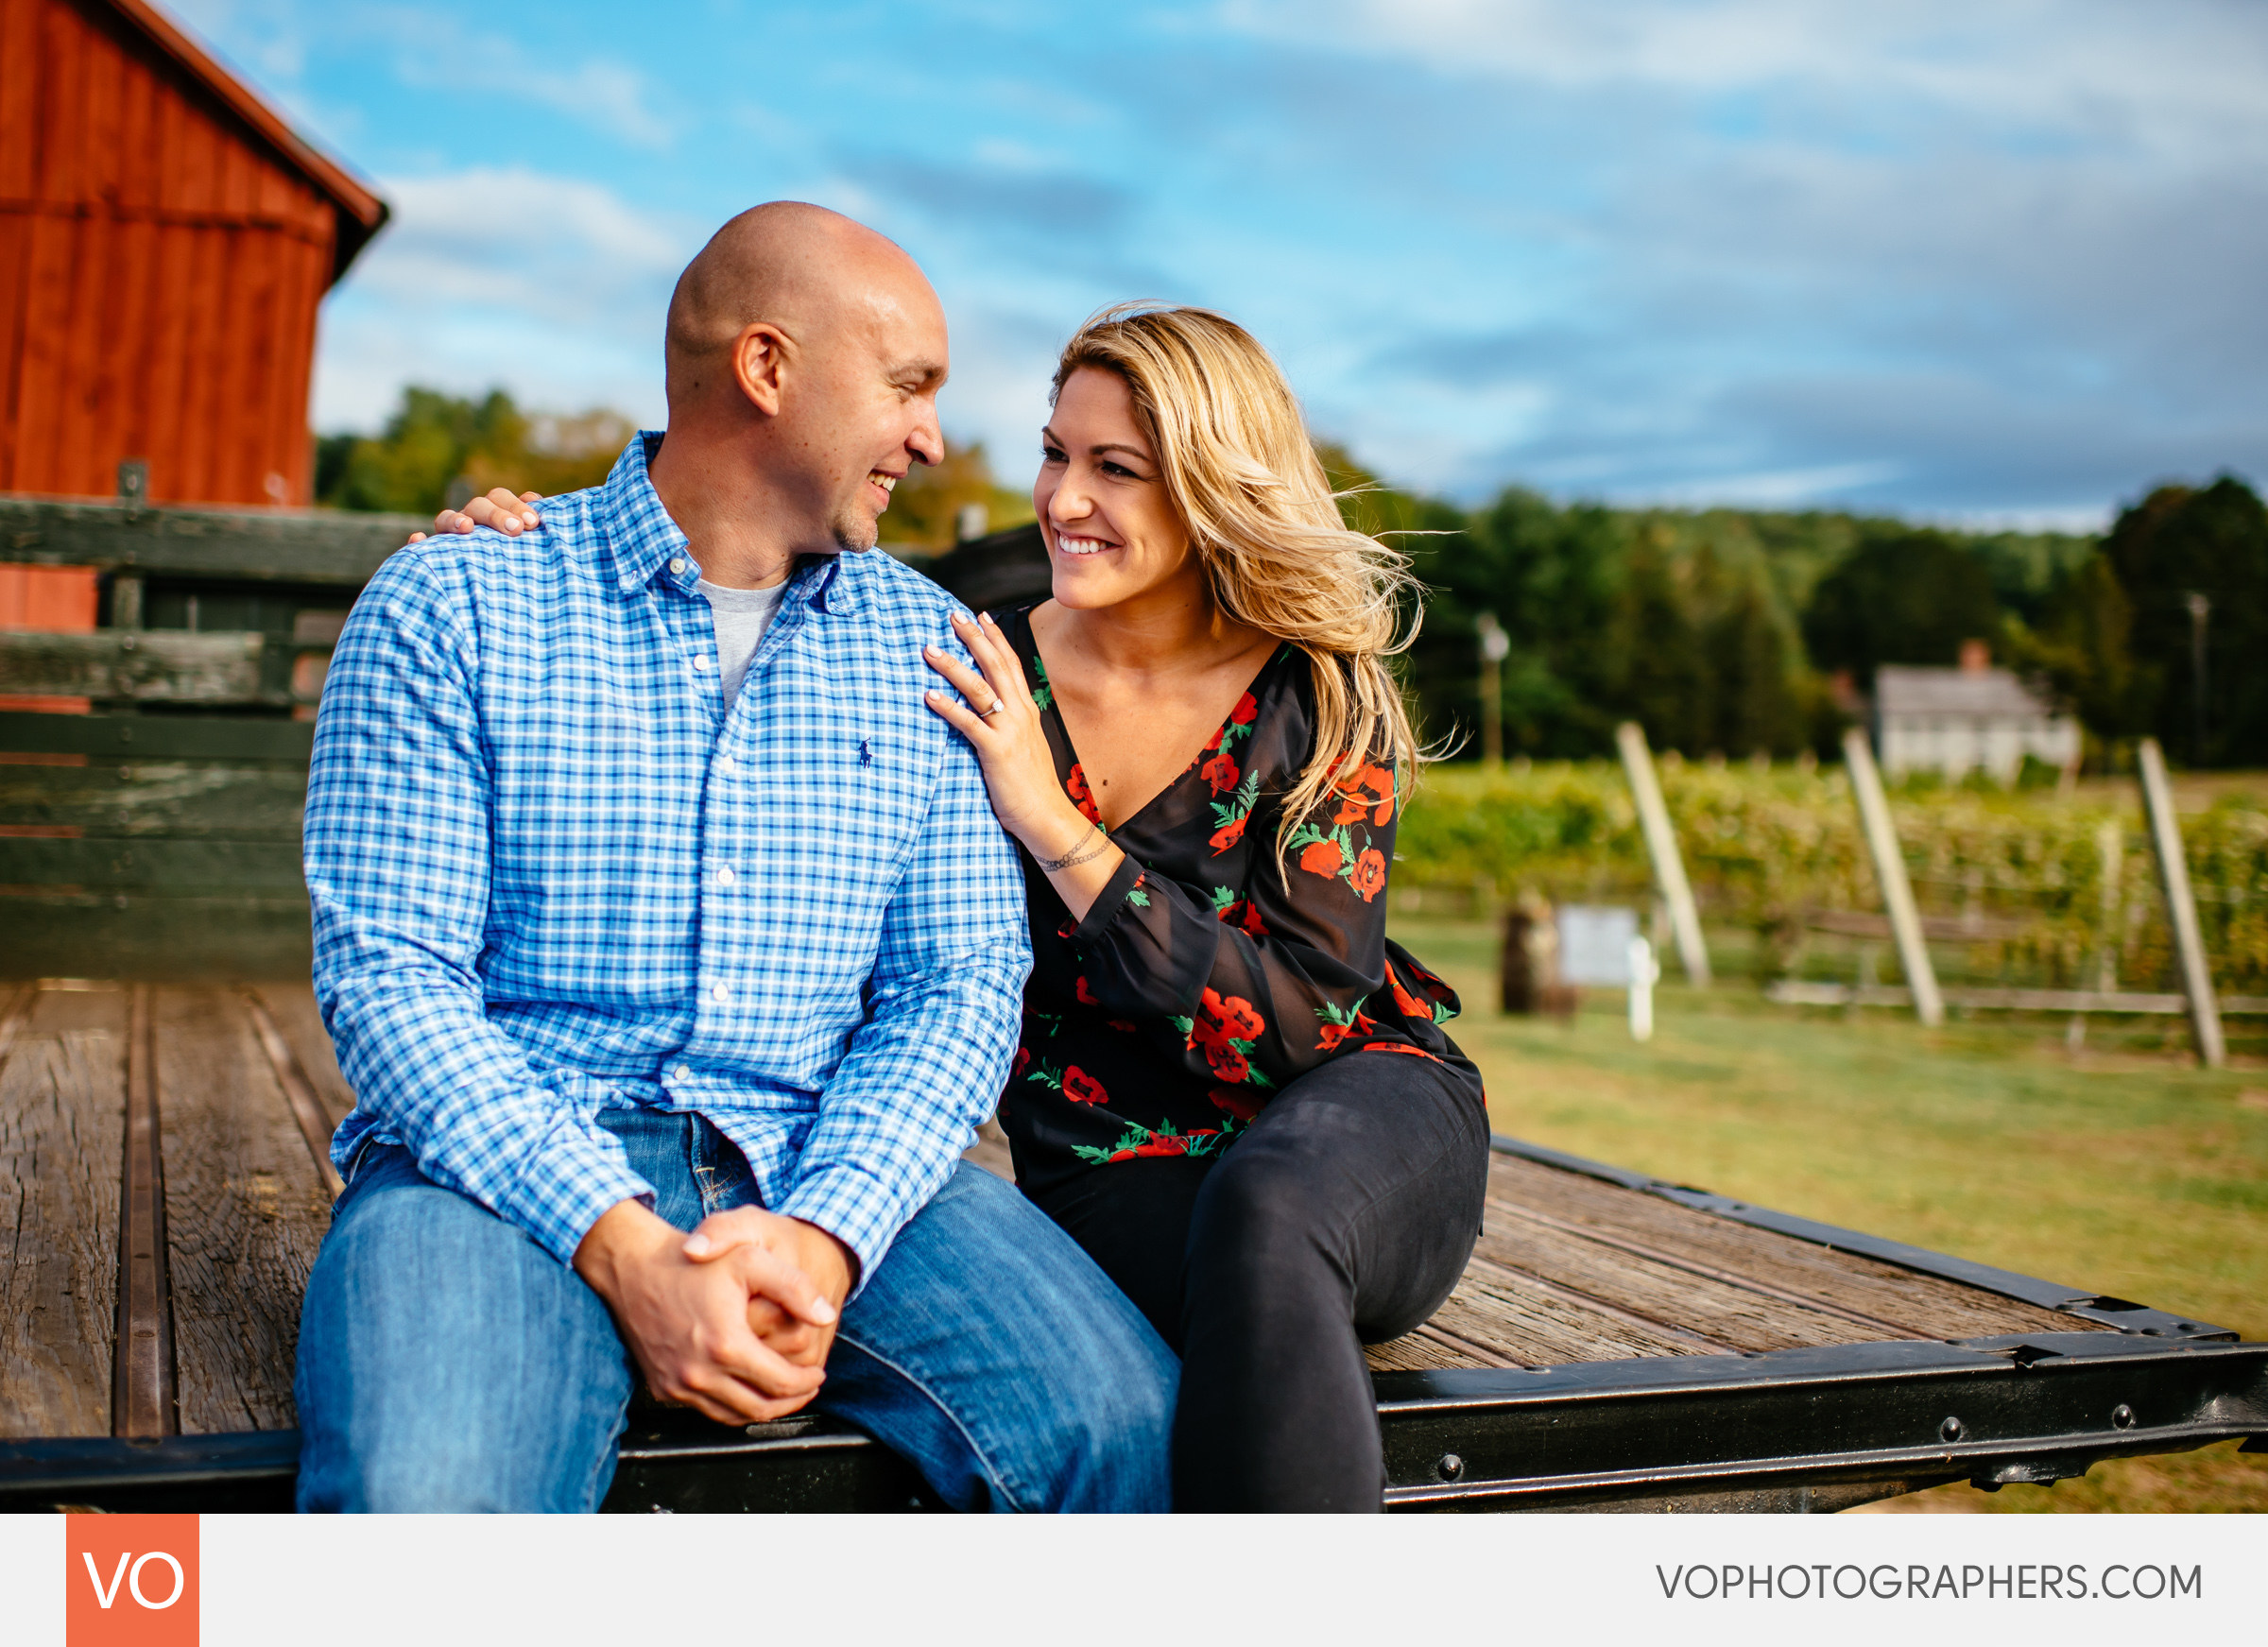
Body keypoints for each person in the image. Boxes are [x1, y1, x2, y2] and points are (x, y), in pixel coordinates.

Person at [447, 302, 1491, 1513]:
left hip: (1349, 1122)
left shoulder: (1315, 687)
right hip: (1112, 1158)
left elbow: (1302, 1022)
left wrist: (1056, 826)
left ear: (1211, 488)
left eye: (1117, 470)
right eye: (1056, 454)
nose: (1063, 500)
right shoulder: (968, 639)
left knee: (1265, 1219)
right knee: (1163, 1342)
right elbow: (753, 556)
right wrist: (518, 543)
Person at [297, 204, 1177, 1514]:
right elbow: (391, 977)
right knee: (430, 1497)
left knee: (1125, 1419)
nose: (933, 438)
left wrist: (827, 1232)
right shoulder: (455, 602)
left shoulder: (927, 644)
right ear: (768, 369)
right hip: (492, 1169)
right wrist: (623, 1240)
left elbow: (960, 978)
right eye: (908, 387)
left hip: (819, 1146)